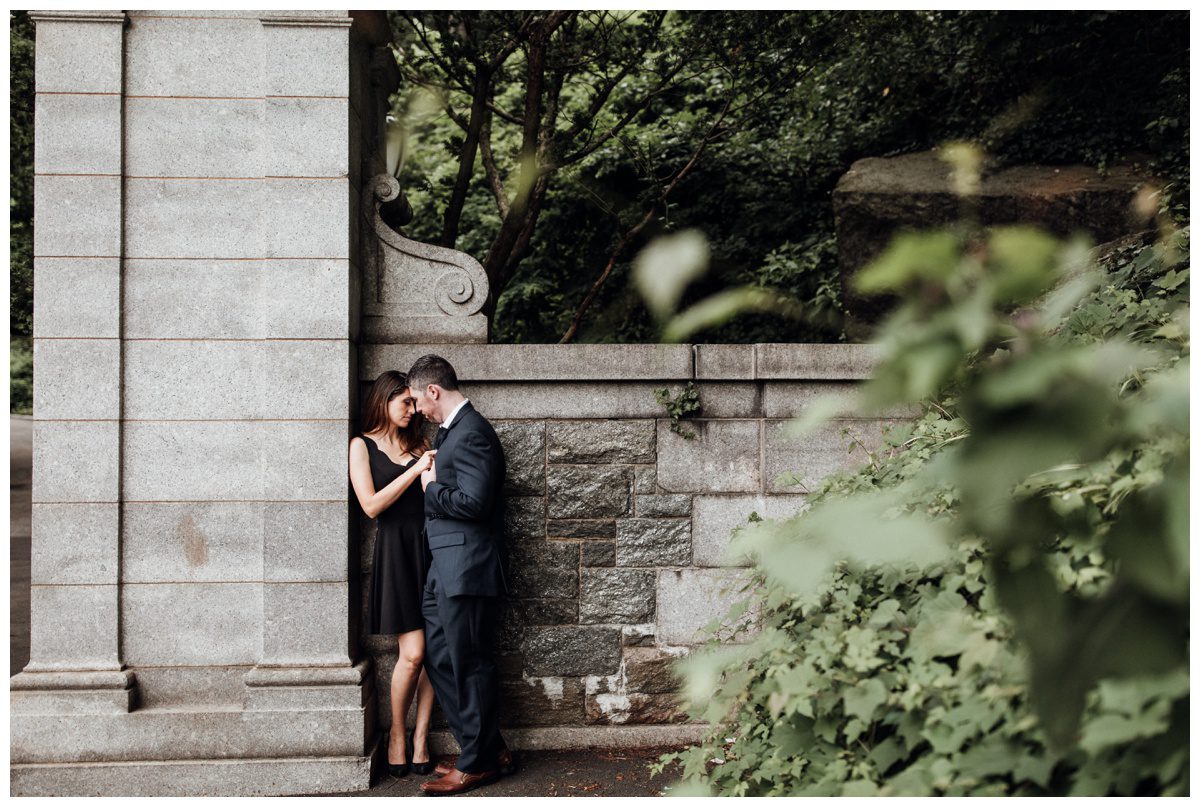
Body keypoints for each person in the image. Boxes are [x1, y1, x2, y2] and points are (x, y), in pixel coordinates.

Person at [406, 354, 515, 796]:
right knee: (441, 657)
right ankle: (489, 747)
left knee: (468, 662)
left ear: (433, 391)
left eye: (416, 400)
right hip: (444, 568)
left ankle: (477, 763)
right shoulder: (452, 432)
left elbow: (475, 503)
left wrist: (431, 488)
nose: (416, 410)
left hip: (467, 567)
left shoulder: (473, 433)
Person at [348, 371, 437, 778]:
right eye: (404, 402)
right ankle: (396, 733)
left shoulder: (419, 443)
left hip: (431, 549)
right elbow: (370, 505)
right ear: (384, 401)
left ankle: (421, 737)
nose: (412, 409)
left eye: (414, 402)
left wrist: (426, 468)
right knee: (413, 652)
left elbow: (434, 498)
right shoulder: (361, 446)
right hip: (396, 553)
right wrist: (415, 470)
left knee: (435, 652)